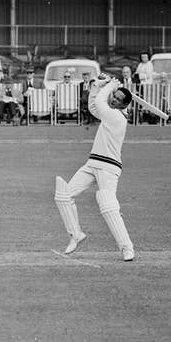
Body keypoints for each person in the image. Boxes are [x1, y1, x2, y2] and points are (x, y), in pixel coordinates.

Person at [54, 76, 136, 262]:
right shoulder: (109, 112)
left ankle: (127, 247)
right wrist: (97, 86)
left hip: (109, 167)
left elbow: (100, 101)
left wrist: (110, 86)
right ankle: (76, 234)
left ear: (123, 106)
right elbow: (94, 106)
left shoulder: (117, 116)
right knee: (64, 195)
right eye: (113, 96)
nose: (113, 99)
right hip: (92, 163)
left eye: (117, 99)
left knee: (108, 206)